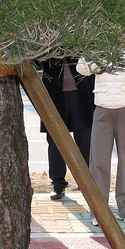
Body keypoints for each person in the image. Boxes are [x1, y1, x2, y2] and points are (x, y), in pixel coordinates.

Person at [77, 57, 125, 224]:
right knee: (98, 161)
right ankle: (98, 211)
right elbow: (81, 69)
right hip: (102, 109)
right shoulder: (98, 48)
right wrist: (95, 53)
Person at [38, 56, 95, 200]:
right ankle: (58, 184)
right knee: (56, 141)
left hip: (82, 94)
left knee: (85, 140)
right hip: (54, 94)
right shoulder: (48, 36)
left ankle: (87, 184)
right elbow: (38, 63)